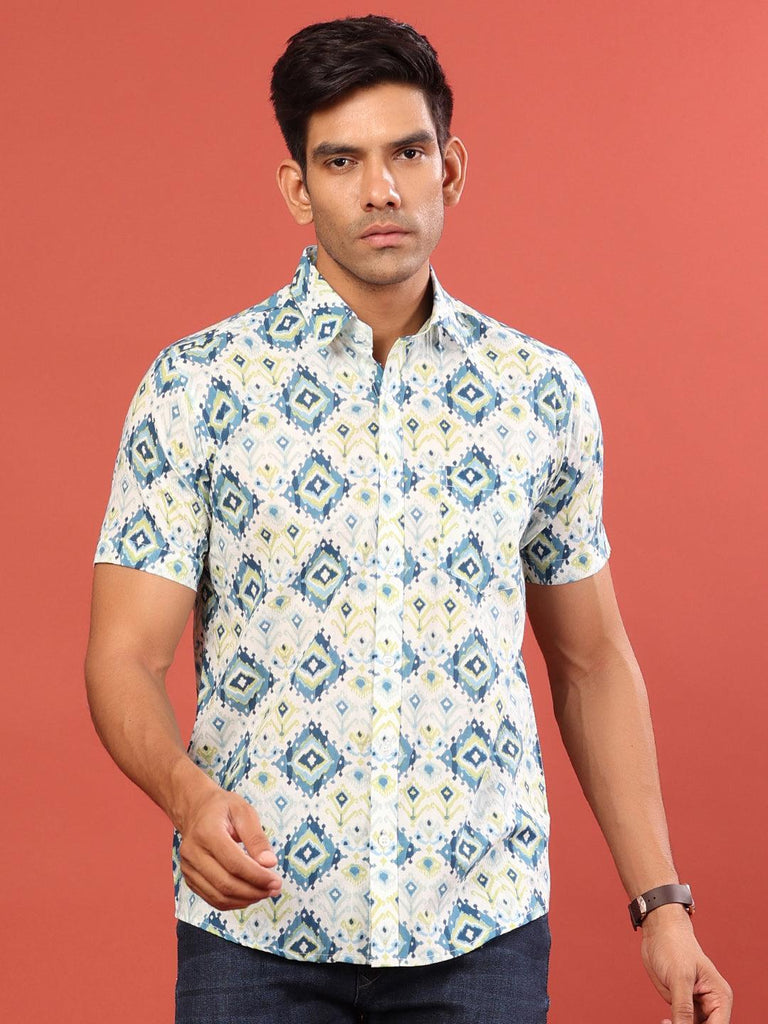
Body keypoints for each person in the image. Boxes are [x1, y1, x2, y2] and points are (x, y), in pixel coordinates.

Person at [85, 14, 732, 1024]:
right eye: (341, 161)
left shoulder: (538, 394)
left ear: (451, 168)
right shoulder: (198, 387)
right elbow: (124, 655)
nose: (381, 189)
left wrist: (663, 907)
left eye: (408, 153)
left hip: (481, 931)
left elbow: (592, 661)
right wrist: (187, 795)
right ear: (298, 188)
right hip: (258, 933)